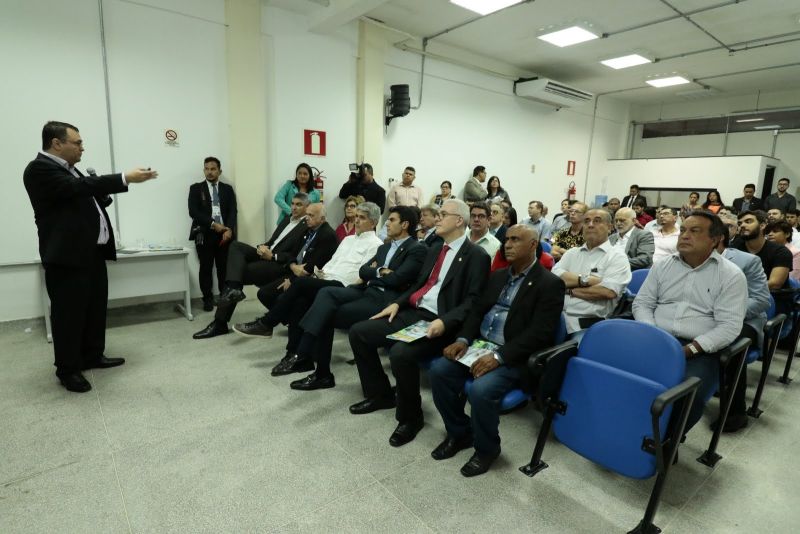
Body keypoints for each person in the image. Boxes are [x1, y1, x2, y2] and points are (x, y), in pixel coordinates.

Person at [23, 121, 157, 392]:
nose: (82, 147)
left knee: (94, 308)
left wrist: (100, 197)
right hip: (66, 258)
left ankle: (92, 355)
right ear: (57, 144)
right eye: (78, 142)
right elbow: (76, 190)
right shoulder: (40, 169)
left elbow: (82, 196)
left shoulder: (70, 170)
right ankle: (68, 369)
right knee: (68, 315)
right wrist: (124, 178)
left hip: (91, 253)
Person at [347, 199, 490, 448]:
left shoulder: (476, 255)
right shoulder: (434, 249)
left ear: (459, 220)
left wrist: (445, 321)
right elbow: (419, 285)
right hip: (414, 311)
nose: (437, 218)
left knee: (401, 353)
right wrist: (397, 304)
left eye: (443, 214)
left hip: (441, 322)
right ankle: (380, 394)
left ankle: (410, 418)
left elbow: (473, 301)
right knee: (360, 332)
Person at [236, 207, 427, 389]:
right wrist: (380, 271)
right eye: (356, 216)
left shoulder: (406, 247)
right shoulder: (380, 248)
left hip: (370, 294)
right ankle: (318, 371)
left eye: (392, 220)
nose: (356, 220)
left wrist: (375, 272)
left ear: (404, 224)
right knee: (304, 300)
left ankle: (288, 342)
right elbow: (363, 269)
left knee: (308, 289)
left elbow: (396, 278)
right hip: (346, 285)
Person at [428, 225, 565, 477]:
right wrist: (463, 339)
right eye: (507, 239)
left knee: (481, 390)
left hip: (514, 354)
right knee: (439, 370)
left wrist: (499, 357)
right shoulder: (498, 276)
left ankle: (487, 449)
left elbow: (540, 334)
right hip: (480, 346)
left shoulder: (549, 284)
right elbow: (477, 311)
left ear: (534, 244)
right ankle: (460, 433)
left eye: (516, 240)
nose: (508, 244)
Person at [232, 203, 384, 374]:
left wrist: (318, 278)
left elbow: (358, 273)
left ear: (373, 222)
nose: (356, 220)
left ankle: (267, 323)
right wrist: (318, 275)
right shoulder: (348, 240)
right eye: (356, 216)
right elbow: (332, 263)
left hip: (344, 285)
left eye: (362, 217)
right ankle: (296, 356)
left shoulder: (376, 244)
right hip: (327, 278)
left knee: (300, 283)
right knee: (300, 301)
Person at [633, 212, 748, 434]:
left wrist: (690, 349)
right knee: (621, 372)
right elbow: (643, 303)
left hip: (699, 348)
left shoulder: (731, 275)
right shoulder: (663, 266)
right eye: (683, 230)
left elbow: (729, 326)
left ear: (714, 240)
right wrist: (651, 335)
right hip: (655, 337)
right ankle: (624, 427)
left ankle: (664, 444)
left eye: (695, 231)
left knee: (686, 394)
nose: (684, 235)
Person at [192, 202, 337, 339]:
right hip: (270, 256)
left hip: (279, 263)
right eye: (292, 203)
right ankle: (233, 291)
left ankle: (220, 321)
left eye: (299, 205)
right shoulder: (287, 220)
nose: (294, 207)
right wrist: (262, 247)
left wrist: (274, 256)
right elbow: (275, 242)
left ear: (307, 208)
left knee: (237, 273)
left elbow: (296, 256)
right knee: (235, 248)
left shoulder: (306, 227)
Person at [552, 209, 631, 341]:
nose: (590, 225)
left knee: (575, 353)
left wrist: (568, 290)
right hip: (554, 316)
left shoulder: (617, 257)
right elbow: (554, 279)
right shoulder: (572, 253)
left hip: (586, 324)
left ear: (609, 227)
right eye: (586, 221)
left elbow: (607, 292)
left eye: (597, 221)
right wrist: (587, 280)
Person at [188, 157, 237, 311]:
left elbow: (232, 211)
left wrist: (229, 229)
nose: (209, 172)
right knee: (206, 267)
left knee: (224, 268)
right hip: (204, 233)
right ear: (204, 170)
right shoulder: (196, 188)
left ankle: (224, 297)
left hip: (224, 235)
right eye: (207, 169)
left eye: (213, 169)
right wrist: (213, 224)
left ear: (219, 171)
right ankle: (207, 299)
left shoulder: (227, 189)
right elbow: (193, 212)